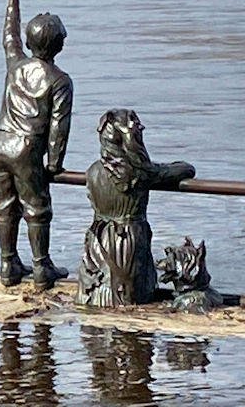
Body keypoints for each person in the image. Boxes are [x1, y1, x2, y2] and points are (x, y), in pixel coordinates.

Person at [0, 0, 72, 290]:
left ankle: (8, 263)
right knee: (37, 208)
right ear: (59, 44)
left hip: (0, 144)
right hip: (26, 147)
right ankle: (41, 267)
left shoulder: (15, 64)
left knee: (5, 206)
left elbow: (8, 35)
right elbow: (58, 128)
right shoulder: (60, 80)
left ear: (29, 41)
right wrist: (54, 164)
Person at [75, 109, 196, 307]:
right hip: (127, 241)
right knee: (130, 296)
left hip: (98, 238)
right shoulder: (138, 173)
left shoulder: (93, 170)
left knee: (100, 293)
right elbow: (186, 169)